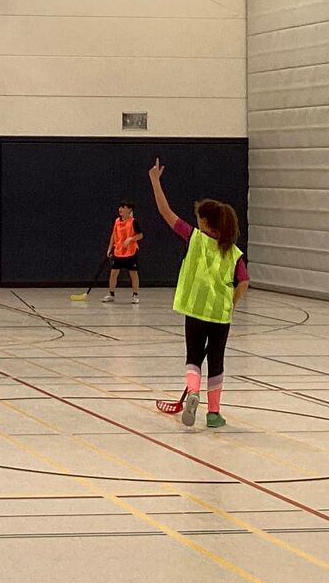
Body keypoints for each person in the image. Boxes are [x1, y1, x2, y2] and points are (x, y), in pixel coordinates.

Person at [148, 160, 248, 430]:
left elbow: (165, 211)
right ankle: (213, 414)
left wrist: (155, 181)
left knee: (193, 357)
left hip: (195, 310)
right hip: (220, 315)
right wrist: (231, 304)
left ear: (204, 222)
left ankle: (193, 392)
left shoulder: (194, 238)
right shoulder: (233, 252)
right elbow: (244, 282)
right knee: (216, 362)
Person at [103, 201, 142, 305]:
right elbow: (113, 235)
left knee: (133, 274)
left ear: (129, 210)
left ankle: (135, 295)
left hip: (131, 252)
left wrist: (130, 239)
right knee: (113, 273)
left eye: (123, 207)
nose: (120, 209)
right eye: (120, 207)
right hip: (118, 252)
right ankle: (111, 294)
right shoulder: (117, 221)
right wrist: (109, 248)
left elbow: (140, 235)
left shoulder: (133, 222)